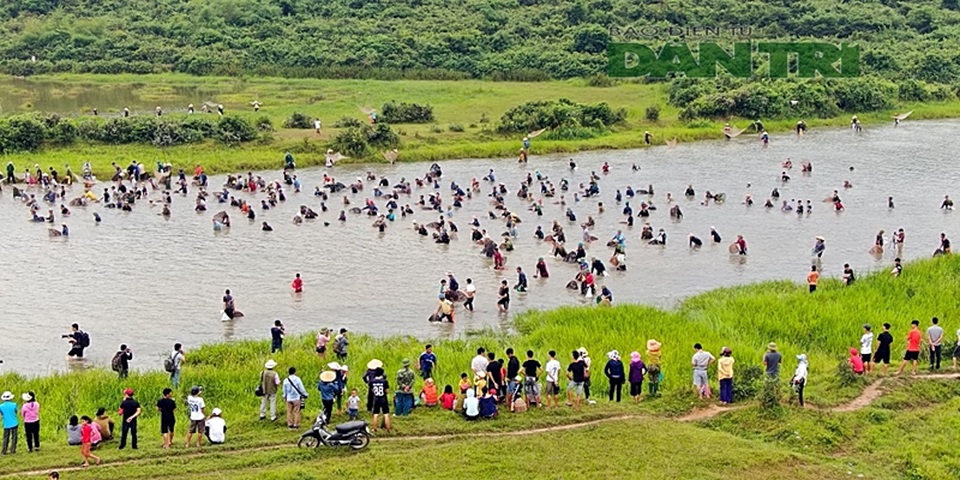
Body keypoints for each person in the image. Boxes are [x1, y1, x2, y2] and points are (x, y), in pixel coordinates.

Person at [369, 368, 391, 432]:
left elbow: (372, 390)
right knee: (386, 414)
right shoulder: (384, 381)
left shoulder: (372, 381)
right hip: (383, 398)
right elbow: (387, 391)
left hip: (376, 398)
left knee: (375, 414)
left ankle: (375, 428)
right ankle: (388, 428)